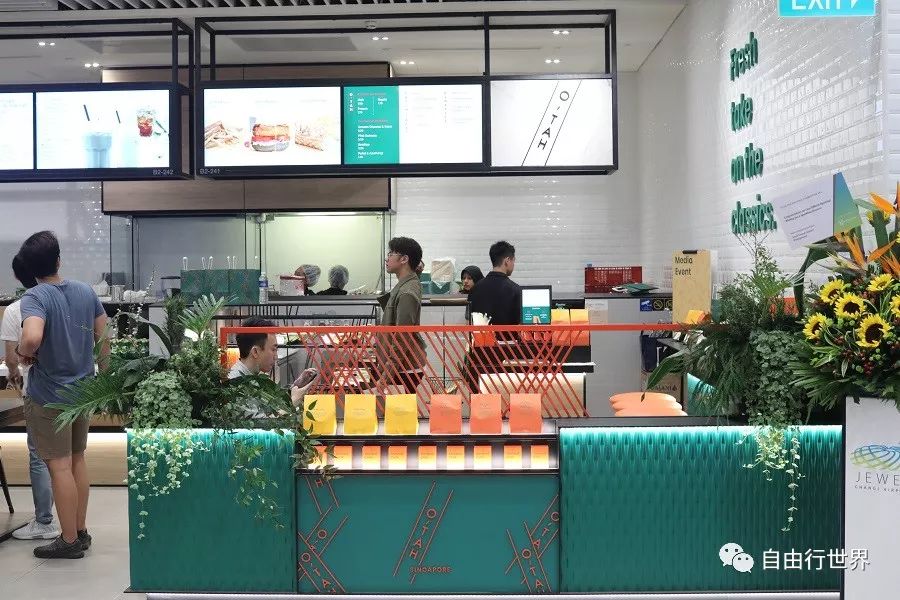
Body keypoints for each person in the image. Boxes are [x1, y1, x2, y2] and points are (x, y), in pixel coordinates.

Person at [17, 231, 109, 559]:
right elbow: (104, 337)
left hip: (50, 396)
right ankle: (80, 531)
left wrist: (24, 351)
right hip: (83, 392)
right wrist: (103, 376)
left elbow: (31, 337)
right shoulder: (85, 291)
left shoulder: (34, 297)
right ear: (58, 260)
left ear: (31, 269)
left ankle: (68, 540)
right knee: (77, 459)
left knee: (59, 466)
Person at [2, 256, 58, 541]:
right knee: (71, 458)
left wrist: (14, 373)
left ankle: (45, 520)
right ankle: (74, 525)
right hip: (73, 388)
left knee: (39, 456)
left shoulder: (16, 309)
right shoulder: (64, 300)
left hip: (38, 391)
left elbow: (12, 358)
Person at [228, 316, 316, 410]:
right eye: (273, 349)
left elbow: (273, 405)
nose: (276, 356)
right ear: (255, 352)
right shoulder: (235, 384)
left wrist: (296, 387)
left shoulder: (254, 376)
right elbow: (262, 419)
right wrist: (293, 401)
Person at [376, 237, 426, 394]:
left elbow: (402, 338)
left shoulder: (407, 292)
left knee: (399, 410)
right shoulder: (407, 284)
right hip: (402, 366)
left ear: (404, 259)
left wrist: (386, 376)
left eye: (391, 254)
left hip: (404, 369)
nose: (387, 258)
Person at [467, 241, 522, 325]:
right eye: (513, 261)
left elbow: (470, 321)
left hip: (481, 334)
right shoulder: (515, 290)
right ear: (507, 261)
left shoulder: (474, 289)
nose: (513, 265)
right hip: (508, 334)